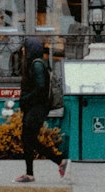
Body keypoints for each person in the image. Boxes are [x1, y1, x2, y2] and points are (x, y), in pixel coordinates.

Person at [15, 36, 69, 183]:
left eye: (26, 47)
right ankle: (31, 173)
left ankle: (58, 161)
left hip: (37, 108)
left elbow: (40, 87)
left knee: (29, 139)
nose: (23, 50)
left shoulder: (37, 65)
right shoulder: (35, 64)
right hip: (34, 107)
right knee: (28, 140)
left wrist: (25, 99)